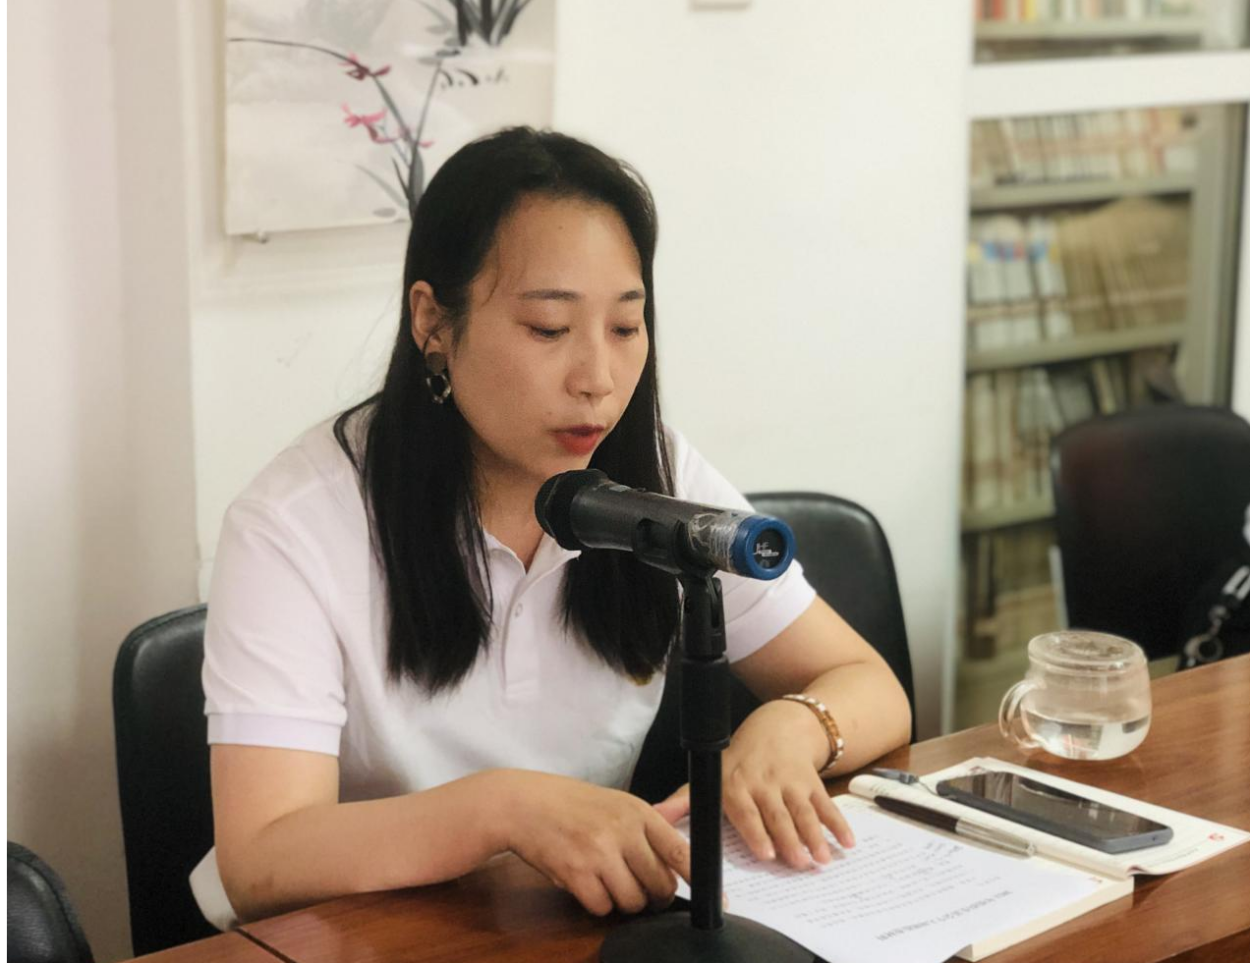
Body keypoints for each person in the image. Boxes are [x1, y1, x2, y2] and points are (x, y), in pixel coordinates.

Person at [190, 127, 912, 928]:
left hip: (561, 929)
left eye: (625, 328)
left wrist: (793, 726)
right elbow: (261, 859)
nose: (597, 379)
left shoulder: (655, 471)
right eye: (548, 328)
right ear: (433, 322)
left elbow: (868, 683)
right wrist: (503, 810)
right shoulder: (294, 524)